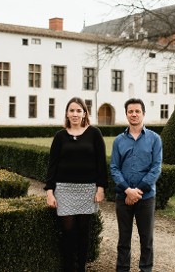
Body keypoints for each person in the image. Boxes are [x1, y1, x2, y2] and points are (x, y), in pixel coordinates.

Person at [44, 97, 108, 272]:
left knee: (83, 232)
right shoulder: (60, 136)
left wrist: (101, 188)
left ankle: (80, 268)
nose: (75, 114)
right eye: (71, 110)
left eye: (78, 110)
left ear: (84, 113)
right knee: (68, 232)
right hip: (64, 190)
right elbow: (52, 165)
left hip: (87, 190)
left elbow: (101, 163)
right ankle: (68, 267)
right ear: (66, 113)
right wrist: (50, 191)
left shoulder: (94, 134)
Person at [110, 98, 162, 272]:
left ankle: (145, 269)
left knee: (146, 238)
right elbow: (114, 168)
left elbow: (156, 168)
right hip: (122, 196)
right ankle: (122, 269)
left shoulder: (155, 139)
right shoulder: (118, 140)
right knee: (123, 239)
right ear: (126, 114)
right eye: (130, 111)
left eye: (137, 111)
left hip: (146, 197)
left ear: (143, 114)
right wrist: (127, 190)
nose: (134, 114)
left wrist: (137, 191)